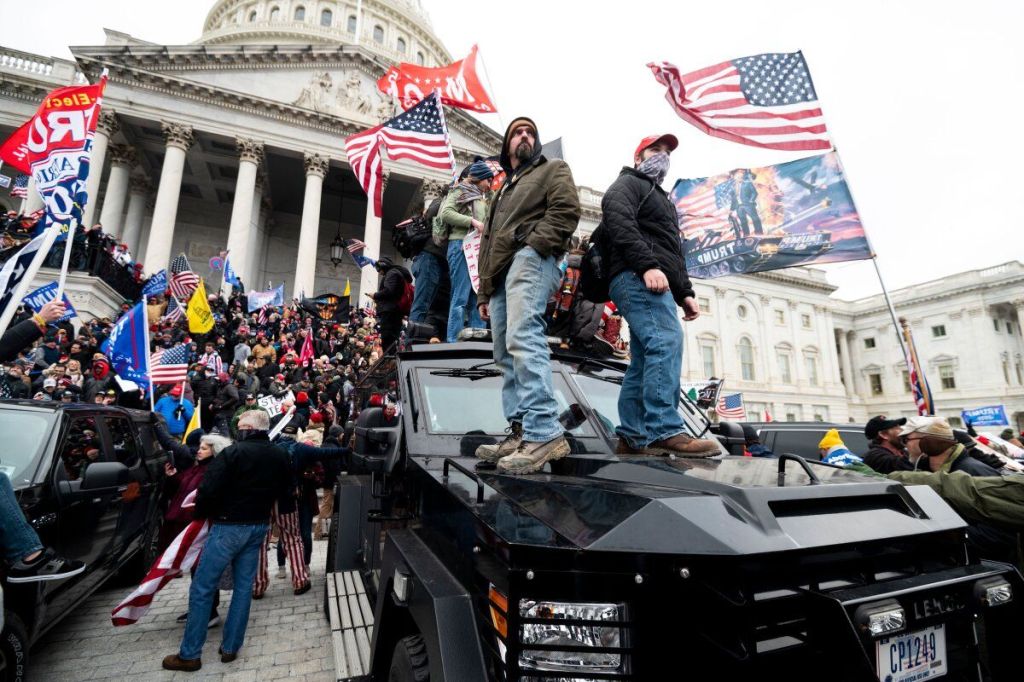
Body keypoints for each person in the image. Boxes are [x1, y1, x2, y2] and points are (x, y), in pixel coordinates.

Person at [597, 134, 719, 457]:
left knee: (645, 357)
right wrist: (647, 265)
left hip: (652, 279)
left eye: (667, 152)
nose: (662, 156)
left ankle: (633, 436)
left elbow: (671, 251)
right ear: (638, 157)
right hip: (637, 277)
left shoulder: (661, 199)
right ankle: (665, 428)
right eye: (655, 150)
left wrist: (686, 293)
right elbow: (618, 220)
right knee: (666, 340)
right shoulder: (628, 184)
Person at [474, 117, 581, 474]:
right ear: (507, 145)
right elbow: (487, 244)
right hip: (501, 276)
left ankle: (544, 431)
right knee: (504, 353)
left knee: (524, 337)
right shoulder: (502, 190)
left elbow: (567, 211)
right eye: (517, 132)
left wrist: (533, 248)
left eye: (530, 132)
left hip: (530, 261)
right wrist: (483, 294)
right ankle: (521, 432)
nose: (524, 136)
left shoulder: (552, 169)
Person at [162, 409, 293, 671]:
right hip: (258, 524)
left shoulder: (233, 453)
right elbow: (287, 492)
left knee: (202, 587)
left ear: (250, 428)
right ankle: (231, 647)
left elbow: (209, 488)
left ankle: (190, 654)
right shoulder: (281, 454)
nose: (238, 428)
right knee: (243, 588)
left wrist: (201, 514)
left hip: (228, 525)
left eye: (241, 424)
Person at [438, 160, 493, 342]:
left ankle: (478, 341)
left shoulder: (483, 198)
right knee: (460, 297)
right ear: (481, 178)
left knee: (477, 299)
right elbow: (446, 213)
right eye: (488, 181)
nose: (490, 185)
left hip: (477, 251)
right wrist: (472, 221)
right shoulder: (460, 190)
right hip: (460, 246)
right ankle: (453, 341)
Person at [369, 257, 412, 351]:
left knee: (387, 338)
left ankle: (389, 361)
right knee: (392, 338)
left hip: (389, 312)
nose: (378, 272)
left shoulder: (391, 273)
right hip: (395, 311)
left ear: (383, 266)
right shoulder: (397, 273)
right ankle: (391, 359)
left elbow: (389, 291)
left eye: (378, 269)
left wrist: (375, 295)